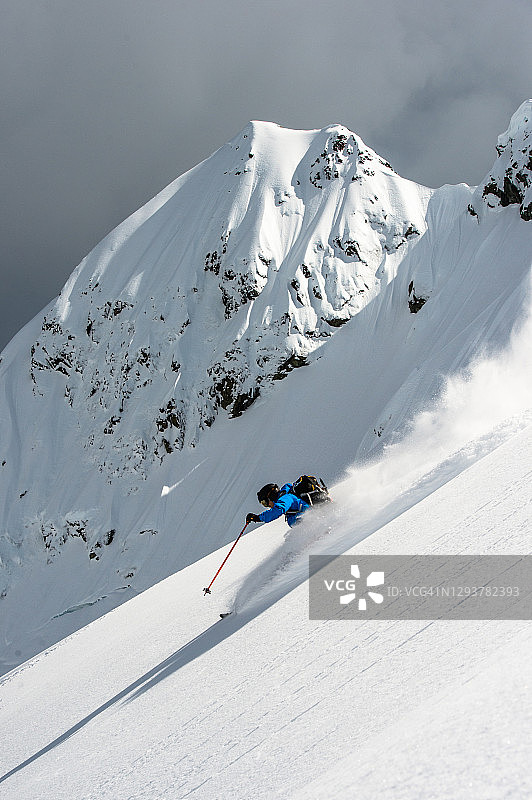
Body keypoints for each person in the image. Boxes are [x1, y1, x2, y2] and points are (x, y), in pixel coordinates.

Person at [246, 482, 310, 528]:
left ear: (271, 496)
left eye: (265, 502)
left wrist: (258, 518)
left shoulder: (286, 498)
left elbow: (277, 511)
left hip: (314, 520)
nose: (268, 506)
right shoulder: (288, 510)